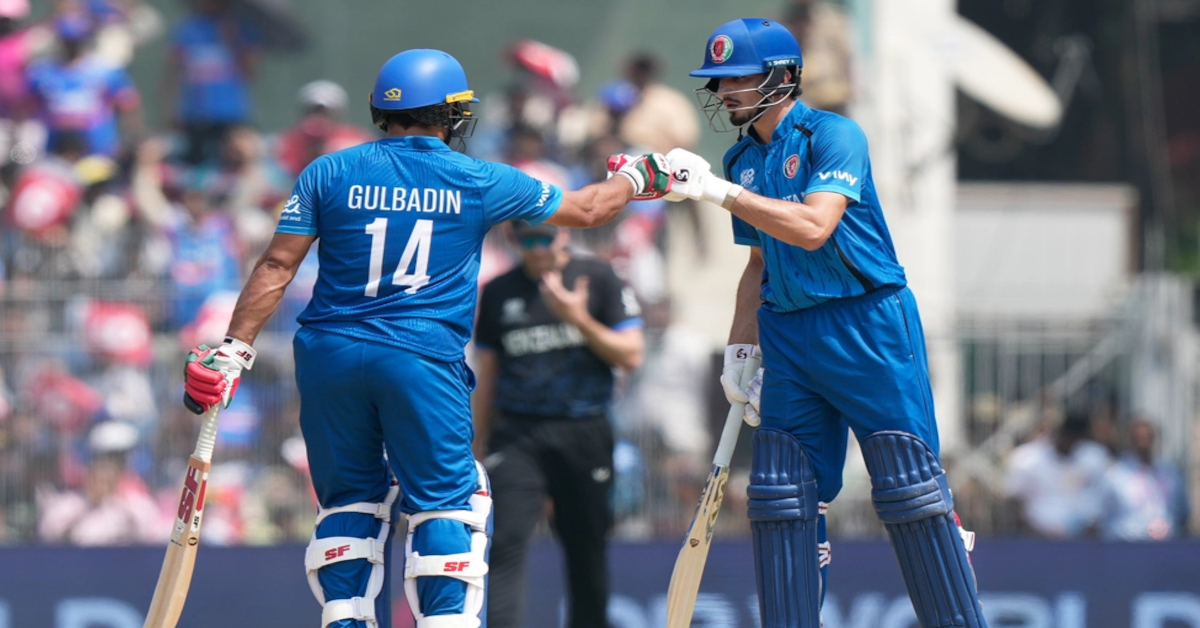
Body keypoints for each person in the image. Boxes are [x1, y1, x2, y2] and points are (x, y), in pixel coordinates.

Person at [178, 48, 669, 628]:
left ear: (380, 109)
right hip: (419, 354)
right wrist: (636, 175)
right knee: (449, 502)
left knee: (350, 503)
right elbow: (588, 210)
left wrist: (234, 349)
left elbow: (276, 266)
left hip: (329, 355)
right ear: (452, 114)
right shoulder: (478, 177)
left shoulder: (328, 171)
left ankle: (346, 619)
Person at [648, 18, 990, 627]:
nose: (724, 91)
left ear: (782, 78)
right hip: (787, 331)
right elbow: (758, 262)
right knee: (781, 497)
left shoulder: (834, 134)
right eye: (718, 80)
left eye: (738, 78)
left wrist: (713, 191)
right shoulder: (741, 158)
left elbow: (813, 228)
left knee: (907, 488)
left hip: (866, 324)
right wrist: (740, 348)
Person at [472, 221, 644, 628]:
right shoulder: (498, 291)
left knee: (586, 546)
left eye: (545, 238)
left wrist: (578, 318)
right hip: (517, 434)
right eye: (527, 240)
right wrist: (477, 444)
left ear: (564, 234)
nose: (537, 248)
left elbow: (631, 355)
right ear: (513, 240)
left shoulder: (599, 278)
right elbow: (488, 373)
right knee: (505, 540)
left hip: (584, 428)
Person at [1005, 410, 1110, 539]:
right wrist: (1028, 529)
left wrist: (1092, 525)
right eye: (1066, 434)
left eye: (1074, 437)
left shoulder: (1095, 457)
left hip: (1083, 538)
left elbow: (1102, 498)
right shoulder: (1027, 458)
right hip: (1037, 537)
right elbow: (1014, 499)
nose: (1068, 440)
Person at [1098, 417, 1189, 540]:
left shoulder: (1170, 473)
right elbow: (1103, 513)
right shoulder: (1115, 474)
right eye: (1139, 438)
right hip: (1126, 544)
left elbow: (1182, 512)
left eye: (1148, 437)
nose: (1144, 443)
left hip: (1165, 544)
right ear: (1131, 440)